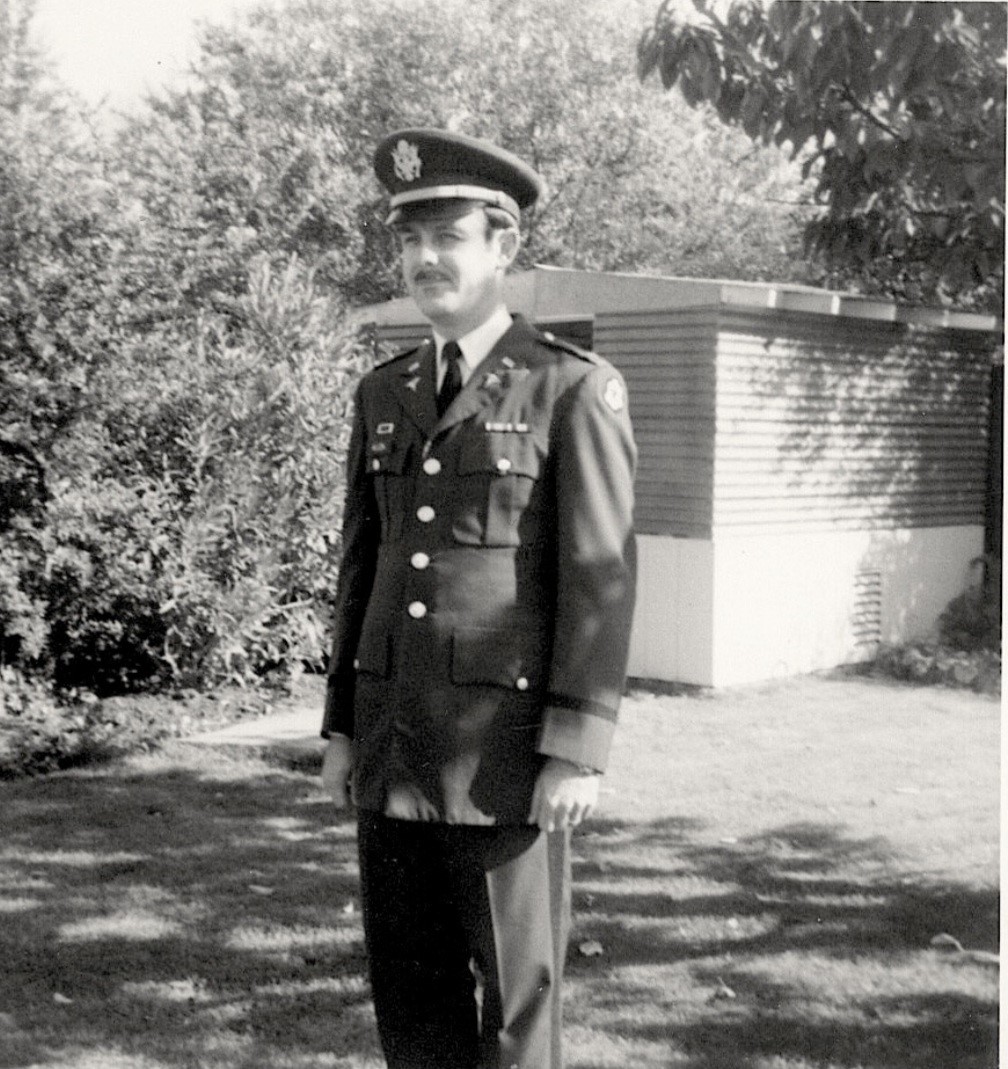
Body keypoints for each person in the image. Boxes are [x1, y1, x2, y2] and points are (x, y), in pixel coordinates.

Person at [321, 127, 637, 1069]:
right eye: (409, 241)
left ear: (502, 249)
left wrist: (575, 749)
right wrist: (342, 726)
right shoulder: (386, 392)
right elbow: (363, 569)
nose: (424, 259)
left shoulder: (569, 389)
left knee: (514, 1005)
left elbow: (601, 578)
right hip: (393, 746)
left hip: (504, 760)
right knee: (409, 997)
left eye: (448, 236)